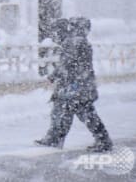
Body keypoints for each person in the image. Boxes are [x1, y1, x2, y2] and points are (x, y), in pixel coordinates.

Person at [35, 17, 113, 152]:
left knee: (76, 113)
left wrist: (53, 77)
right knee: (70, 112)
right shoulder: (78, 41)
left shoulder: (74, 42)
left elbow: (67, 64)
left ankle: (102, 141)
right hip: (80, 86)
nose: (54, 36)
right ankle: (102, 140)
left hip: (75, 86)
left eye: (56, 32)